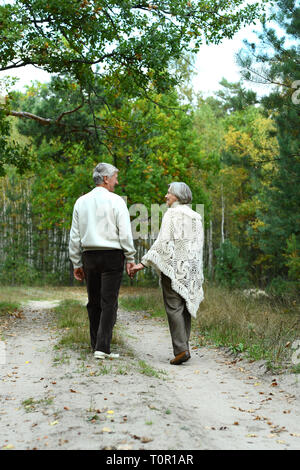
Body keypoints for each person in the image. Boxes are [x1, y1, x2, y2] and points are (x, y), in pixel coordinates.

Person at [130, 182, 204, 365]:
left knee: (174, 307)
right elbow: (197, 247)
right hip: (190, 268)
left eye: (168, 193)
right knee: (185, 307)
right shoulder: (196, 216)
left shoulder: (172, 214)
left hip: (173, 268)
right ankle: (184, 347)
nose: (165, 196)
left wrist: (142, 263)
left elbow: (162, 243)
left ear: (177, 196)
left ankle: (181, 350)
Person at [69, 162, 136, 359]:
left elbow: (75, 236)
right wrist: (130, 257)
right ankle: (102, 347)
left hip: (89, 256)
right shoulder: (116, 201)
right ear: (106, 178)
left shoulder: (81, 202)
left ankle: (95, 344)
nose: (117, 180)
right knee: (109, 302)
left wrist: (76, 263)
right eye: (115, 176)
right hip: (112, 256)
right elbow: (125, 233)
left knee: (94, 302)